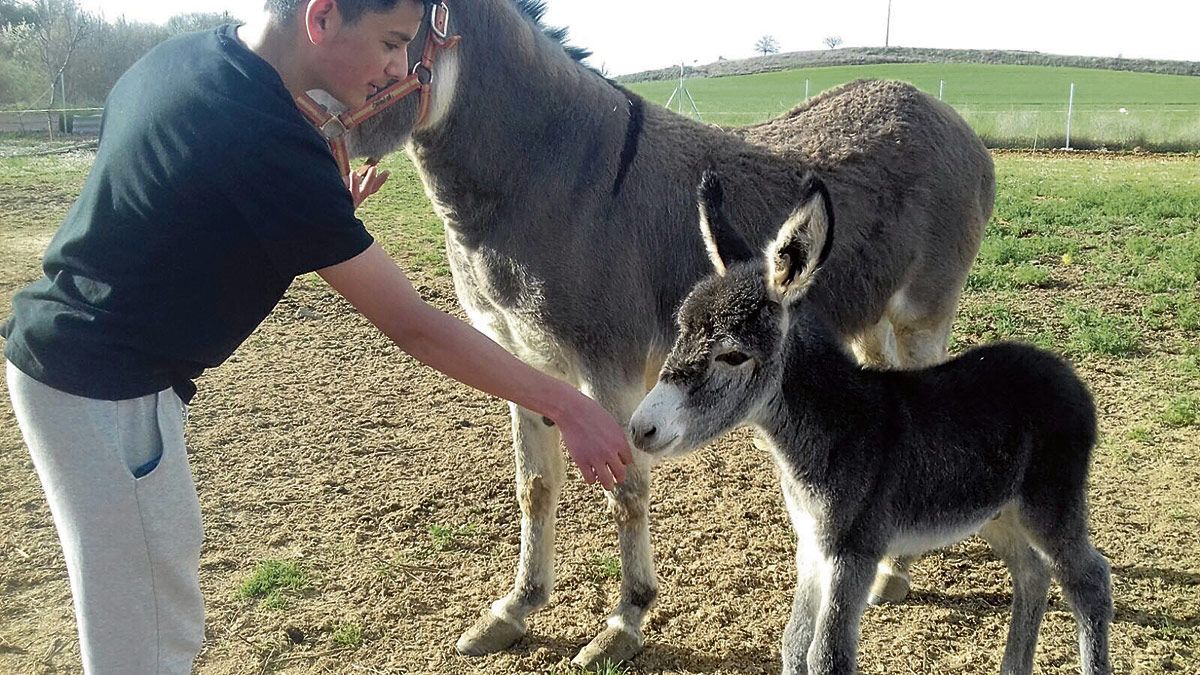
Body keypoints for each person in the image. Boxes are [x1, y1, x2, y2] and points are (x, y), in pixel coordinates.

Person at [0, 0, 634, 672]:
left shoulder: (182, 60)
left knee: (152, 603)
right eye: (392, 41)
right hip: (104, 393)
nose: (398, 67)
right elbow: (417, 327)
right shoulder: (271, 143)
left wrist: (310, 214)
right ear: (323, 16)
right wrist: (566, 403)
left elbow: (158, 196)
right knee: (149, 638)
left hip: (66, 365)